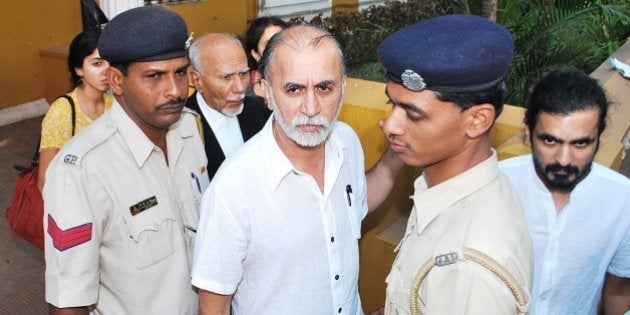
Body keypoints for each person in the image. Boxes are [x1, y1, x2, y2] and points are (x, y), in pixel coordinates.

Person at [191, 24, 402, 314]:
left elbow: (357, 205)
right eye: (294, 89)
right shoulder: (231, 190)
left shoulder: (346, 142)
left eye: (324, 87)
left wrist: (398, 153)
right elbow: (214, 304)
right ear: (265, 91)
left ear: (343, 86)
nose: (312, 107)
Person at [43, 6, 208, 314]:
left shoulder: (188, 127)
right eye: (155, 76)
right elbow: (68, 299)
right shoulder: (81, 170)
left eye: (181, 72)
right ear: (116, 81)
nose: (175, 90)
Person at [377, 14, 533, 314]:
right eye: (391, 104)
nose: (390, 125)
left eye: (413, 113)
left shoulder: (470, 268)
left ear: (477, 120)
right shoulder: (447, 189)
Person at [499, 71, 630, 314]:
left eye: (580, 143)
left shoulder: (623, 200)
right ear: (528, 132)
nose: (563, 159)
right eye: (550, 141)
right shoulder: (495, 185)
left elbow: (619, 290)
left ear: (599, 137)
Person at [187, 33, 271, 181]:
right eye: (226, 77)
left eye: (244, 74)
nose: (240, 88)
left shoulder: (263, 111)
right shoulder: (180, 127)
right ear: (197, 80)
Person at [38, 30, 113, 192]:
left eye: (111, 63)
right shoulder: (62, 111)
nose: (106, 71)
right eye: (97, 64)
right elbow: (45, 181)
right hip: (75, 199)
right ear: (79, 69)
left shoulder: (113, 105)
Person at [243, 16, 287, 97]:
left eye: (281, 41)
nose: (277, 48)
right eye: (269, 44)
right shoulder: (244, 91)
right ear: (255, 54)